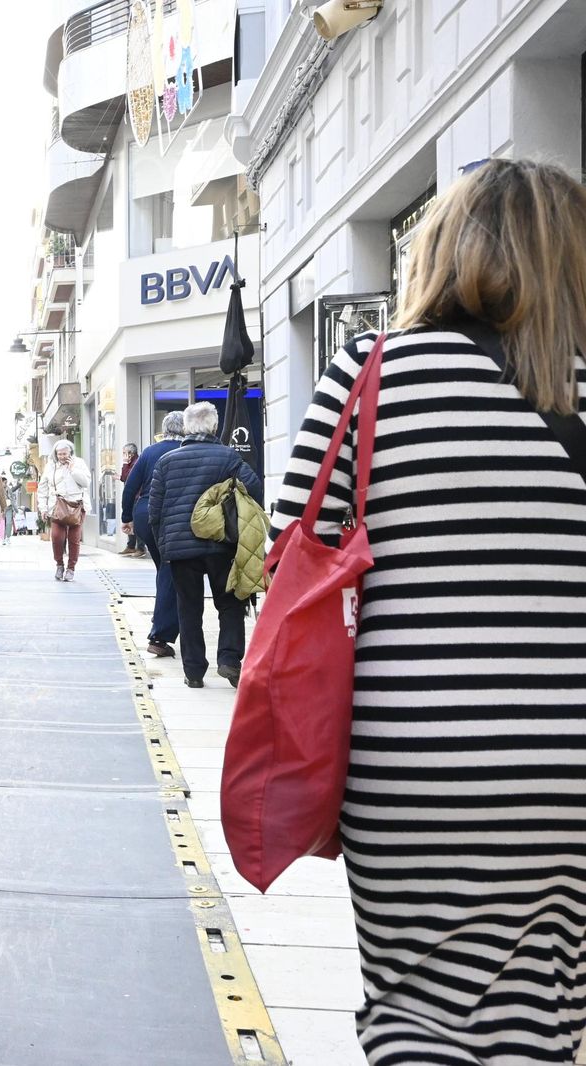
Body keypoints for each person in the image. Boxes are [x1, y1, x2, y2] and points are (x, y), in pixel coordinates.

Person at [273, 159, 586, 1064]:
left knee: (420, 1009)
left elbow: (297, 548)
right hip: (573, 767)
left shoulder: (372, 377)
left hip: (419, 756)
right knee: (549, 1012)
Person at [147, 401, 261, 688]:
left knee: (188, 608)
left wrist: (165, 545)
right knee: (230, 604)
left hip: (181, 550)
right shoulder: (229, 458)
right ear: (213, 426)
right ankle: (229, 661)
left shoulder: (166, 461)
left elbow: (155, 511)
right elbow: (255, 488)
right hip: (222, 545)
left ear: (187, 427)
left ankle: (194, 672)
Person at [121, 413, 184, 658]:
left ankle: (165, 630)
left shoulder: (149, 452)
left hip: (145, 515)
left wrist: (127, 517)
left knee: (166, 570)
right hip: (170, 516)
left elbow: (130, 487)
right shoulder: (185, 449)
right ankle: (160, 635)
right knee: (170, 570)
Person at [37, 440, 89, 581]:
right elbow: (42, 489)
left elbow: (86, 483)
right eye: (59, 454)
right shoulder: (50, 466)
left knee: (74, 539)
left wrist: (73, 469)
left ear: (70, 452)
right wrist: (43, 508)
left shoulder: (79, 463)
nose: (62, 457)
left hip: (76, 506)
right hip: (57, 506)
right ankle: (59, 564)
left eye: (64, 454)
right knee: (56, 538)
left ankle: (71, 568)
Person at [117, 444, 143, 555]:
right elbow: (124, 478)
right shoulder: (130, 463)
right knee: (130, 520)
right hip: (132, 496)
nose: (123, 455)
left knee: (136, 522)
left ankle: (141, 548)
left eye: (124, 453)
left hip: (138, 496)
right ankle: (131, 545)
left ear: (130, 454)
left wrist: (124, 464)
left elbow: (126, 477)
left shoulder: (137, 462)